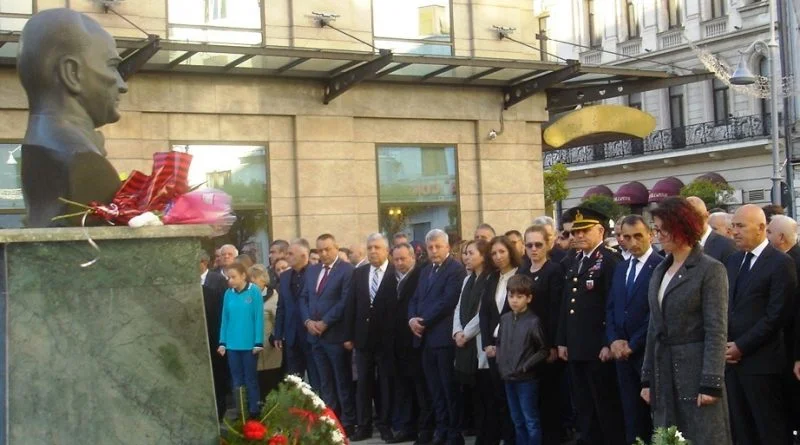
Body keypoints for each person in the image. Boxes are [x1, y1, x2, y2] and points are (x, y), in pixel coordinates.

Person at [17, 9, 126, 227]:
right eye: (112, 66)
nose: (123, 85)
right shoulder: (80, 159)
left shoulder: (41, 147)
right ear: (71, 73)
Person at [640, 197, 731, 445]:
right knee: (668, 436)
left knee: (702, 435)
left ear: (680, 228)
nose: (657, 235)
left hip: (694, 370)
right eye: (656, 229)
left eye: (662, 229)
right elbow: (653, 327)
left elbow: (716, 329)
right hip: (663, 370)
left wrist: (711, 381)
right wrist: (647, 378)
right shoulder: (660, 270)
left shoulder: (710, 269)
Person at [725, 204, 796, 445]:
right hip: (732, 364)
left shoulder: (780, 262)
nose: (734, 231)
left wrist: (742, 346)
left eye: (741, 226)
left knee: (770, 431)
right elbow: (728, 306)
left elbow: (777, 315)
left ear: (761, 227)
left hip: (763, 363)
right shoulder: (733, 261)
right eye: (733, 226)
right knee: (742, 431)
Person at [556, 206, 626, 445]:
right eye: (575, 232)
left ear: (600, 231)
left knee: (604, 405)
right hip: (577, 345)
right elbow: (567, 304)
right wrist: (562, 340)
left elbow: (613, 304)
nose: (579, 236)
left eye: (584, 231)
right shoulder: (575, 261)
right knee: (583, 405)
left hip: (598, 346)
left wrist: (608, 342)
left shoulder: (609, 260)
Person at [605, 215, 661, 444]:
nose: (633, 242)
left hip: (647, 353)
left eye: (638, 236)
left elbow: (655, 313)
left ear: (651, 235)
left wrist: (634, 343)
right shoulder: (621, 268)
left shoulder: (660, 266)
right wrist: (614, 339)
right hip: (622, 355)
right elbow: (611, 307)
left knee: (654, 416)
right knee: (631, 415)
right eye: (627, 237)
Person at [408, 229, 467, 445]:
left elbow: (447, 301)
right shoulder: (425, 270)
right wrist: (411, 319)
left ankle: (454, 432)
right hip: (425, 340)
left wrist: (423, 321)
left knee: (448, 388)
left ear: (447, 247)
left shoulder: (455, 269)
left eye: (438, 246)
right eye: (430, 247)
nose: (433, 251)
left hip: (442, 339)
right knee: (434, 389)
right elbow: (415, 298)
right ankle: (441, 429)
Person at [299, 234, 356, 435]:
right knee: (325, 382)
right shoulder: (312, 270)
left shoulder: (347, 270)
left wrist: (325, 322)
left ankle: (348, 421)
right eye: (320, 250)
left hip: (335, 334)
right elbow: (304, 297)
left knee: (342, 380)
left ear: (336, 248)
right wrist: (307, 321)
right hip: (315, 336)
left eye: (327, 249)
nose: (323, 253)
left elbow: (345, 301)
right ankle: (330, 420)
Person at [517, 225, 565, 445]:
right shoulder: (523, 271)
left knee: (550, 397)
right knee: (531, 400)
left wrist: (553, 344)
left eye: (538, 244)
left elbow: (556, 310)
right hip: (526, 346)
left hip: (546, 343)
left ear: (548, 245)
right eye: (529, 245)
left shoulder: (554, 270)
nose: (534, 249)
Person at [346, 234, 397, 442]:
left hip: (386, 340)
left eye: (377, 247)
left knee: (385, 383)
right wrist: (349, 335)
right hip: (362, 339)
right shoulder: (359, 273)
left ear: (387, 250)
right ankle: (364, 425)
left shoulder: (394, 272)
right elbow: (351, 305)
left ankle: (385, 424)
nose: (373, 251)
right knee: (363, 384)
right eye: (370, 248)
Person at [387, 243, 434, 444]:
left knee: (421, 388)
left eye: (403, 259)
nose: (399, 263)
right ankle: (407, 427)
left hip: (416, 340)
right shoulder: (390, 278)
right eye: (396, 259)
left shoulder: (420, 276)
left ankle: (425, 428)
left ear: (413, 257)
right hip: (396, 343)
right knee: (402, 387)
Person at [479, 236, 522, 445]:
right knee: (499, 397)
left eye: (502, 252)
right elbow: (485, 314)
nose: (498, 257)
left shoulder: (521, 275)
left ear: (510, 252)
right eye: (494, 253)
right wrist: (487, 343)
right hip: (493, 348)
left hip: (515, 347)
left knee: (516, 399)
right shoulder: (492, 278)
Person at [497, 274, 548, 445]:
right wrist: (500, 363)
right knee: (517, 419)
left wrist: (526, 366)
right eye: (511, 296)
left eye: (519, 296)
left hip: (526, 379)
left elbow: (543, 349)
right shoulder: (504, 319)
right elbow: (500, 343)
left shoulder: (533, 321)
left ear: (529, 298)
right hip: (508, 377)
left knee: (530, 419)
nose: (514, 300)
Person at [453, 239, 492, 444]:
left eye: (471, 253)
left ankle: (486, 435)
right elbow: (458, 308)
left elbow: (482, 313)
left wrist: (466, 334)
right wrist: (457, 331)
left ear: (483, 256)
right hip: (464, 342)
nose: (466, 257)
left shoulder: (489, 279)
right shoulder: (467, 280)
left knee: (485, 395)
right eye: (465, 253)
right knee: (472, 394)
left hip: (479, 342)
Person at [766, 215, 800, 439]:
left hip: (791, 347)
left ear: (780, 237)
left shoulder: (792, 262)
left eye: (769, 232)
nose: (765, 236)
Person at [218, 262, 264, 419]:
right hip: (232, 344)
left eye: (233, 277)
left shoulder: (254, 291)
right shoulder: (228, 293)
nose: (230, 280)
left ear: (243, 276)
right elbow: (225, 318)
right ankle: (241, 410)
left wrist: (258, 341)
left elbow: (258, 317)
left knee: (250, 378)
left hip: (249, 344)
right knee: (236, 379)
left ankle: (254, 410)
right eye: (228, 277)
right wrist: (222, 342)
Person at [274, 239, 320, 391]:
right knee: (294, 381)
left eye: (291, 254)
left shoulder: (316, 273)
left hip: (311, 334)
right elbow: (281, 306)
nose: (287, 256)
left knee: (316, 378)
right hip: (291, 335)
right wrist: (278, 333)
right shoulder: (285, 276)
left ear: (304, 255)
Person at [200, 251, 230, 420]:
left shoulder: (217, 281)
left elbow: (223, 310)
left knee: (218, 376)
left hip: (215, 336)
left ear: (204, 262)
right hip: (199, 339)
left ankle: (220, 411)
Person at [248, 264, 283, 401]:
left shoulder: (273, 297)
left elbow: (279, 321)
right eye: (250, 279)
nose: (251, 282)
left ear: (263, 279)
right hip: (251, 348)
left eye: (254, 278)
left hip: (269, 349)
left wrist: (274, 337)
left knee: (271, 382)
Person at [686, 196, 736, 263]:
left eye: (696, 217)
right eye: (685, 218)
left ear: (707, 216)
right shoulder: (681, 245)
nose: (691, 223)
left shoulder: (728, 246)